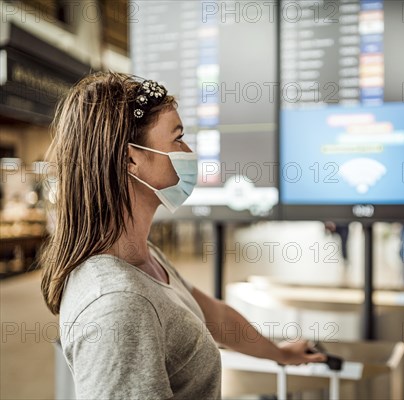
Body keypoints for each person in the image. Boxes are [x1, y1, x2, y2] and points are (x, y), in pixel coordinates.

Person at [39, 72, 325, 399]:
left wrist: (280, 353)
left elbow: (213, 316)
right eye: (177, 139)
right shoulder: (118, 304)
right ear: (130, 159)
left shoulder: (143, 257)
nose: (188, 151)